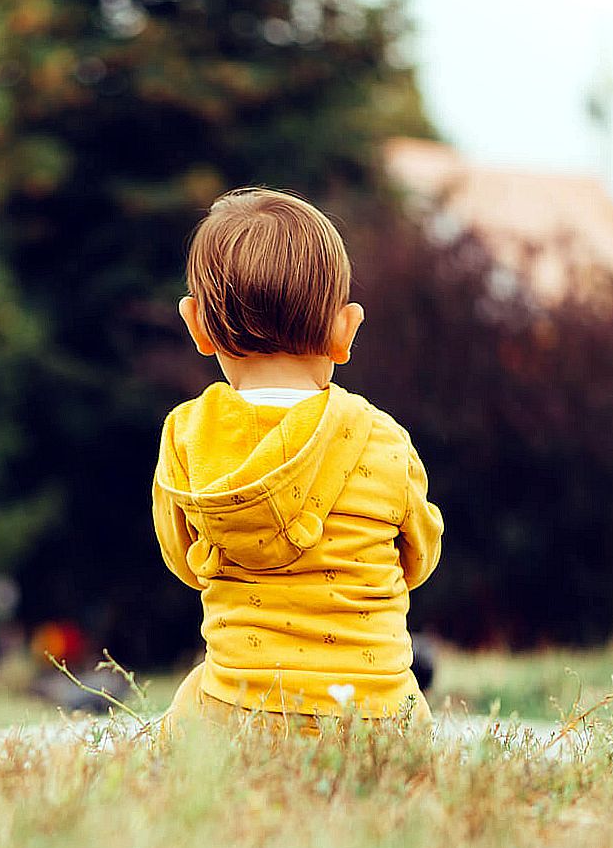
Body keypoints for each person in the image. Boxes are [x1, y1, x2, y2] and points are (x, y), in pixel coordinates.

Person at [153, 187, 444, 740]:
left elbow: (184, 562)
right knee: (408, 709)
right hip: (377, 722)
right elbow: (419, 560)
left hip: (238, 718)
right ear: (345, 330)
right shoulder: (384, 438)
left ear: (196, 325)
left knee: (186, 712)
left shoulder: (185, 437)